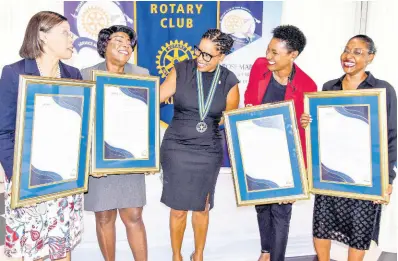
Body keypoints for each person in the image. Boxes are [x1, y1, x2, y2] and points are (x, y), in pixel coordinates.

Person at [300, 35, 397, 261]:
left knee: (359, 232)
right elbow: (321, 131)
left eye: (357, 52)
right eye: (346, 50)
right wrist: (308, 122)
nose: (348, 56)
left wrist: (387, 180)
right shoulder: (328, 87)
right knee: (322, 226)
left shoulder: (382, 90)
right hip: (331, 172)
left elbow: (391, 136)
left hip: (366, 176)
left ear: (370, 57)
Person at [0, 11, 83, 261]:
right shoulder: (14, 73)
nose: (73, 38)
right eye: (65, 33)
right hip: (28, 181)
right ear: (42, 36)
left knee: (61, 249)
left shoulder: (73, 75)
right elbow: (4, 130)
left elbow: (80, 130)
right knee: (33, 250)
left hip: (65, 181)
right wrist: (17, 176)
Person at [159, 28, 240, 261]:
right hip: (177, 148)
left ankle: (199, 255)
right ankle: (176, 256)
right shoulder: (182, 69)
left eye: (207, 55)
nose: (200, 58)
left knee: (202, 207)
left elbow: (231, 119)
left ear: (221, 56)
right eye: (198, 51)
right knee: (178, 208)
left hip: (208, 151)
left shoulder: (229, 81)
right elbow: (156, 96)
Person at [244, 25, 317, 261]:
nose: (268, 57)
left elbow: (304, 136)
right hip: (258, 152)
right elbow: (249, 98)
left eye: (275, 53)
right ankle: (266, 251)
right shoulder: (259, 67)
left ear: (292, 54)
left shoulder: (308, 85)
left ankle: (277, 258)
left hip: (286, 160)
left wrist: (300, 180)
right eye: (268, 50)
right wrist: (247, 110)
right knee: (262, 206)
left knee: (281, 210)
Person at [81, 25, 149, 261]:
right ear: (104, 45)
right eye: (119, 39)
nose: (126, 45)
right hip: (99, 160)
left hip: (130, 156)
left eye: (129, 42)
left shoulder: (142, 75)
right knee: (104, 217)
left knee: (134, 215)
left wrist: (147, 154)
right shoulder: (85, 75)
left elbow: (146, 120)